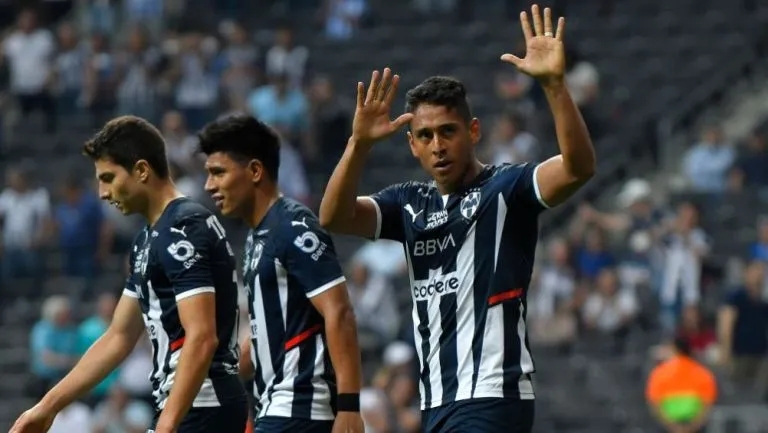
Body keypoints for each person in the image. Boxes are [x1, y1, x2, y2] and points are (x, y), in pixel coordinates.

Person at [318, 5, 595, 433]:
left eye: (448, 131)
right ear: (412, 145)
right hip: (436, 402)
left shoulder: (507, 189)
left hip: (492, 395)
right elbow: (334, 215)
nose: (438, 146)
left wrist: (555, 86)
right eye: (425, 136)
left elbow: (578, 168)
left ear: (474, 132)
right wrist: (358, 144)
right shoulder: (408, 204)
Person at [10, 116, 248, 433]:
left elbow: (202, 337)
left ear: (141, 170)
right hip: (184, 406)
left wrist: (166, 426)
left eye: (108, 178)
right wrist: (47, 407)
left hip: (204, 404)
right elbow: (118, 336)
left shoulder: (182, 228)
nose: (102, 193)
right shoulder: (149, 238)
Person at [199, 114, 365, 433]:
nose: (209, 186)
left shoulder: (293, 227)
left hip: (301, 407)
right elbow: (265, 335)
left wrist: (349, 406)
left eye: (218, 173)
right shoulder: (257, 236)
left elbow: (340, 311)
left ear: (255, 171)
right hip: (276, 407)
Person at [646, 337, 717, 433]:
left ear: (674, 349)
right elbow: (707, 404)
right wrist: (692, 427)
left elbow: (654, 404)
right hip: (695, 428)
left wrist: (674, 428)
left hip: (667, 428)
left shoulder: (659, 373)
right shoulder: (702, 373)